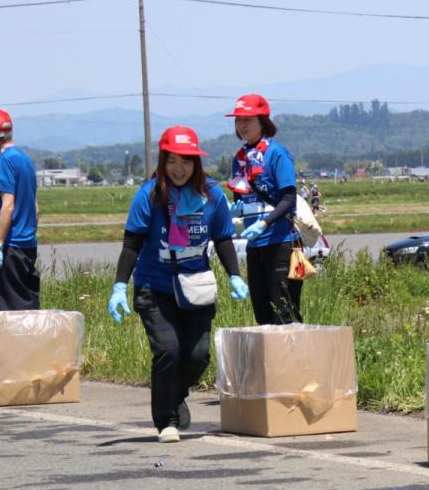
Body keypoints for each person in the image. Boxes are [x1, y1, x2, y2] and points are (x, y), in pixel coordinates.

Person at [107, 126, 249, 444]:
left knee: (198, 356)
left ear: (196, 162)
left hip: (195, 285)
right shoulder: (149, 195)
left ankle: (175, 393)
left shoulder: (212, 195)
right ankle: (167, 420)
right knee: (168, 351)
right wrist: (119, 286)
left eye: (186, 160)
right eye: (171, 160)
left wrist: (235, 275)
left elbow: (223, 239)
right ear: (162, 161)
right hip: (154, 287)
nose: (178, 168)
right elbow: (131, 245)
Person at [224, 94, 303, 324]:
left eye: (248, 119)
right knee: (262, 314)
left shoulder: (276, 154)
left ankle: (294, 359)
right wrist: (234, 211)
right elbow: (240, 197)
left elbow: (289, 198)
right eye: (238, 120)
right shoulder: (239, 159)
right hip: (255, 245)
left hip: (281, 243)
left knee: (284, 311)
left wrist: (265, 222)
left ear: (263, 121)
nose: (242, 125)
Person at [0, 108, 39, 310]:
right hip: (27, 245)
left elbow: (7, 205)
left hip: (11, 248)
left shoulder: (5, 161)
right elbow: (36, 208)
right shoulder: (24, 159)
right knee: (28, 307)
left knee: (13, 314)